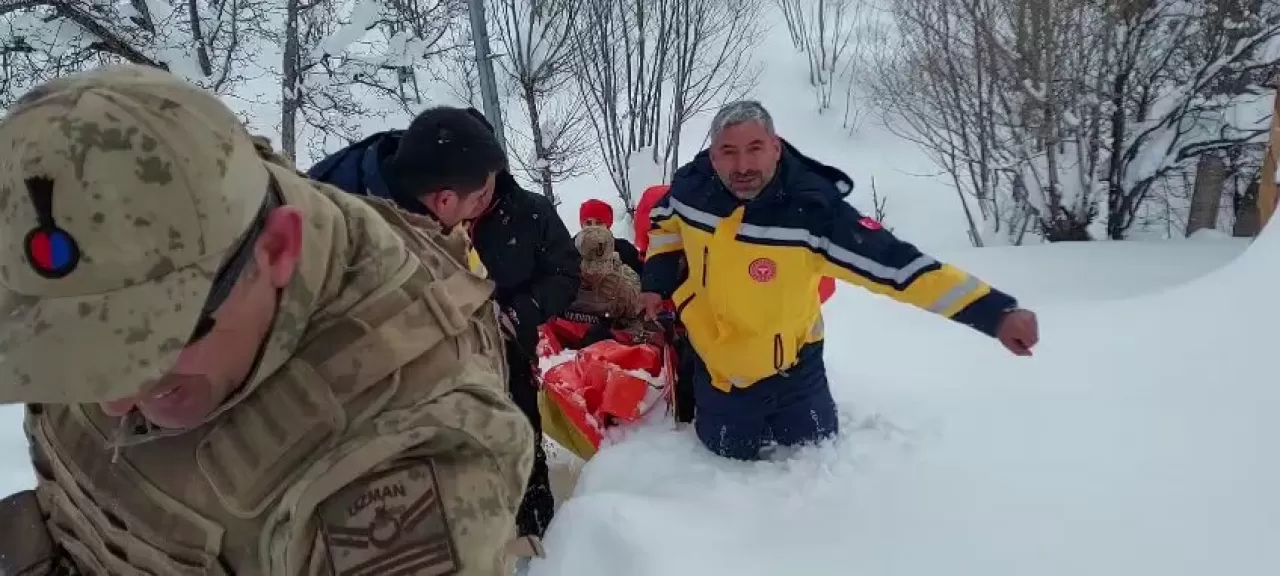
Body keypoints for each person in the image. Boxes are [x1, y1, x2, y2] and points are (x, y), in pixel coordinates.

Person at [0, 65, 532, 575]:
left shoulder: (408, 451)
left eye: (156, 341)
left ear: (277, 249)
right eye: (71, 346)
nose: (113, 399)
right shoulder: (202, 196)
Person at [640, 100, 1040, 461]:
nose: (743, 166)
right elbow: (664, 225)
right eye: (729, 152)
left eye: (755, 149)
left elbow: (900, 268)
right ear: (713, 156)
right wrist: (656, 283)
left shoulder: (812, 214)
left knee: (815, 450)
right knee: (726, 458)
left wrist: (995, 314)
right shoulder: (691, 189)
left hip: (794, 368)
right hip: (719, 365)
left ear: (776, 148)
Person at [307, 106, 580, 544]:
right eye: (475, 196)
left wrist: (517, 314)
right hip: (392, 399)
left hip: (504, 354)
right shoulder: (352, 223)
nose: (477, 209)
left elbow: (565, 273)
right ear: (446, 196)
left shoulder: (522, 211)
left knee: (517, 442)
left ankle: (538, 534)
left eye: (489, 187)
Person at [578, 199, 642, 275]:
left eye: (599, 223)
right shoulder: (571, 251)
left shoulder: (624, 249)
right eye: (588, 223)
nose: (593, 227)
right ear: (582, 226)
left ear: (607, 225)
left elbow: (642, 278)